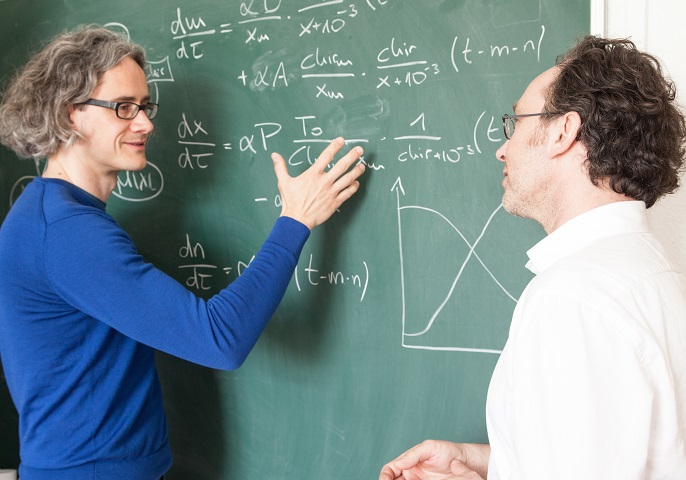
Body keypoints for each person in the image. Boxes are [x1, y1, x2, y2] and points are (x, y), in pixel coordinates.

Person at [0, 26, 365, 479]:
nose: (146, 122)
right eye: (123, 108)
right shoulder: (67, 233)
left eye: (145, 106)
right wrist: (296, 221)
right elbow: (219, 340)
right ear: (71, 114)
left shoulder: (51, 215)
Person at [379, 36, 686, 480]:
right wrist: (486, 463)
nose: (502, 148)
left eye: (516, 122)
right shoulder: (652, 270)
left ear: (563, 131)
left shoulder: (572, 298)